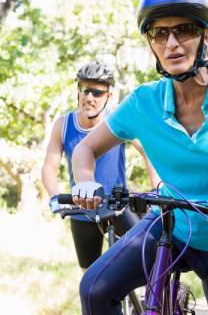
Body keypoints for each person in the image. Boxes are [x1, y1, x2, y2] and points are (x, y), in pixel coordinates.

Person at [71, 0, 208, 315]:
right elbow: (84, 150)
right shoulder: (143, 102)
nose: (172, 43)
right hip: (170, 226)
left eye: (185, 30)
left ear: (207, 36)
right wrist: (84, 180)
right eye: (159, 34)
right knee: (93, 289)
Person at [42, 60, 160, 274]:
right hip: (82, 209)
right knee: (89, 277)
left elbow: (148, 151)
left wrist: (155, 186)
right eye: (85, 90)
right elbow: (49, 167)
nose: (89, 98)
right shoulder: (64, 124)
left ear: (109, 96)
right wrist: (54, 196)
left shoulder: (115, 120)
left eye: (97, 92)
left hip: (118, 204)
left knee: (146, 258)